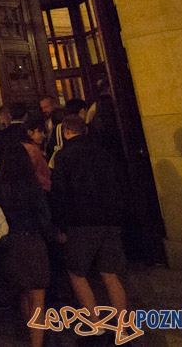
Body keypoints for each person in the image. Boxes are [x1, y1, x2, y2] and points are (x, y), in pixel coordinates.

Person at [50, 113, 129, 324]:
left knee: (77, 272)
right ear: (84, 130)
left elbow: (60, 193)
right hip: (109, 220)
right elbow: (117, 185)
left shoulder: (64, 157)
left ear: (66, 132)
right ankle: (123, 325)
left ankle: (95, 322)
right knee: (110, 274)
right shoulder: (103, 153)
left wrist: (60, 225)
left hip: (80, 222)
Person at [0, 142, 62, 347]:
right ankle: (36, 342)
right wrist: (53, 236)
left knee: (23, 292)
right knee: (38, 296)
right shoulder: (31, 183)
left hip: (9, 244)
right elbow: (43, 216)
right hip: (32, 241)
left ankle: (31, 332)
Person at [21, 117, 52, 192]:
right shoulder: (31, 150)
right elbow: (33, 173)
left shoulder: (27, 148)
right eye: (40, 132)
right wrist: (49, 183)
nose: (43, 135)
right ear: (29, 132)